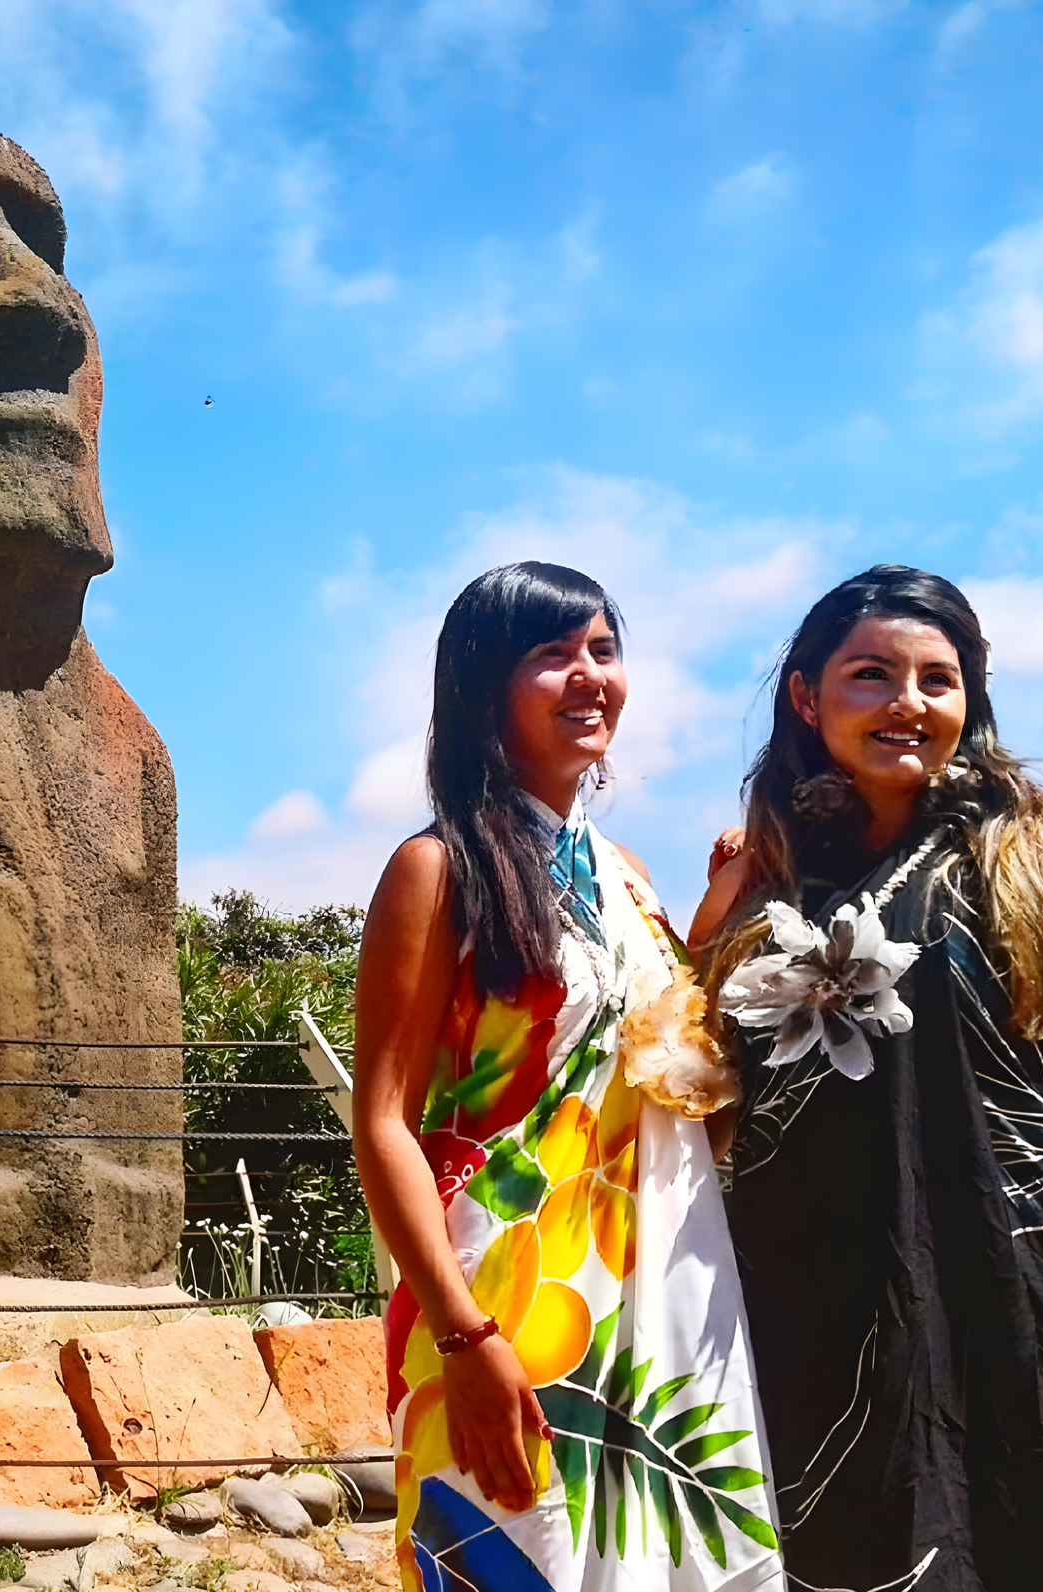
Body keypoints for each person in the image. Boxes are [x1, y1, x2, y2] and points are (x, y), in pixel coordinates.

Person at [689, 565, 1043, 1592]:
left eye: (938, 679)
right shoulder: (757, 880)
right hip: (796, 1343)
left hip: (1011, 1334)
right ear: (806, 695)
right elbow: (698, 1103)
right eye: (871, 675)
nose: (908, 702)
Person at [354, 562, 784, 1592]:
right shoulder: (438, 867)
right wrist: (463, 1334)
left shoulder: (625, 869)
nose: (590, 675)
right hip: (506, 1304)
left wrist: (717, 915)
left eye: (603, 650)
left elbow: (667, 1068)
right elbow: (381, 1122)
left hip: (658, 1294)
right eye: (553, 653)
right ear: (481, 686)